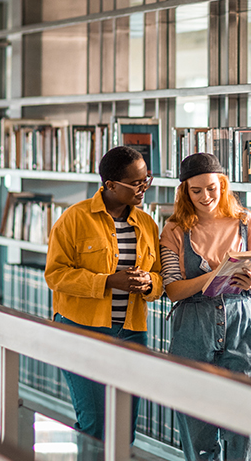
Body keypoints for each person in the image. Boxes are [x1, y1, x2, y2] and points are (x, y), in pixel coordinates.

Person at [45, 146, 163, 444]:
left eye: (146, 179)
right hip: (81, 329)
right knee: (95, 424)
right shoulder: (74, 219)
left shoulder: (147, 224)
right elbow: (55, 275)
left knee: (124, 428)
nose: (143, 188)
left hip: (132, 333)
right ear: (110, 185)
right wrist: (108, 282)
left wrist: (148, 282)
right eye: (136, 183)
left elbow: (161, 279)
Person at [160, 152, 251, 461]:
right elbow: (172, 289)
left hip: (243, 323)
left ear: (223, 185)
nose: (205, 197)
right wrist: (210, 277)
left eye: (212, 188)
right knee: (198, 427)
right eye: (196, 191)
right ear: (185, 192)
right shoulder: (175, 230)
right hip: (194, 325)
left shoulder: (246, 223)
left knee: (246, 424)